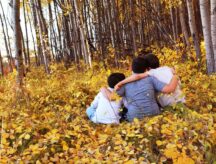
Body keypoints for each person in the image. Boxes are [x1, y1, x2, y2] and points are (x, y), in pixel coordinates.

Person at [102, 57, 179, 122]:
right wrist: (175, 76)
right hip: (154, 115)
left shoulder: (124, 84)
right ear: (146, 69)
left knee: (123, 111)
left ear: (131, 68)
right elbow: (169, 89)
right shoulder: (151, 79)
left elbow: (112, 98)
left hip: (134, 119)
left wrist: (103, 88)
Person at [115, 53, 185, 107]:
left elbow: (137, 76)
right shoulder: (167, 68)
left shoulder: (151, 73)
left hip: (169, 104)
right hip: (182, 100)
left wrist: (121, 82)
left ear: (147, 68)